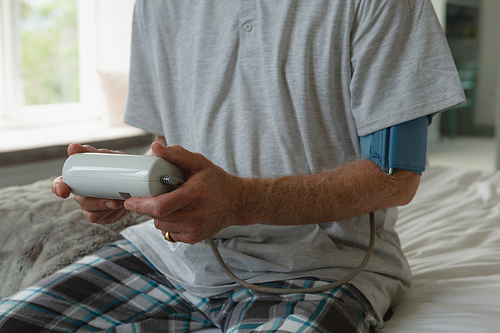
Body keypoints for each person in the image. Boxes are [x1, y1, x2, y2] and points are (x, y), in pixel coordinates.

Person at [0, 0, 464, 332]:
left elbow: (394, 176)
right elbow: (166, 147)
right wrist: (134, 186)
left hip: (321, 269)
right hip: (172, 261)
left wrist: (240, 200)